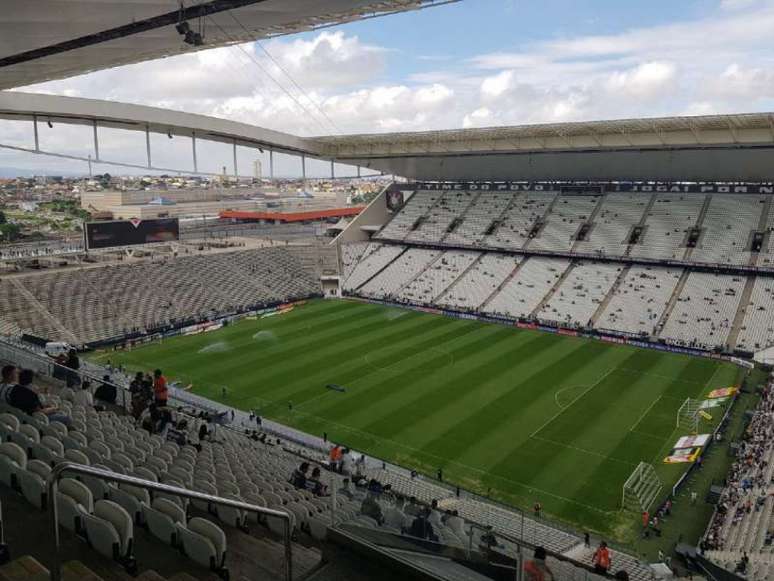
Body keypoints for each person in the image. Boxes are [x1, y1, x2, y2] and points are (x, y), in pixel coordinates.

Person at [5, 369, 70, 425]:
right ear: (31, 379)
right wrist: (54, 409)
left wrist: (45, 406)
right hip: (36, 419)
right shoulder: (31, 395)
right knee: (68, 419)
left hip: (21, 416)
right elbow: (40, 412)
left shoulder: (13, 389)